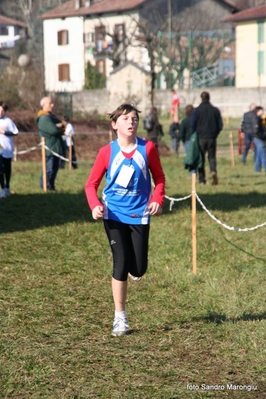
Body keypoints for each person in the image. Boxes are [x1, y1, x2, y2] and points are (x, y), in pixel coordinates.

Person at [85, 103, 165, 336]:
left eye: (134, 119)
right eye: (125, 119)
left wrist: (157, 199)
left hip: (140, 214)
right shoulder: (106, 152)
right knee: (120, 263)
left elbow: (159, 177)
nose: (131, 123)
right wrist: (95, 205)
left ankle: (135, 267)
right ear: (114, 125)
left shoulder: (147, 148)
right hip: (113, 214)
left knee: (138, 269)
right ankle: (120, 317)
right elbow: (91, 184)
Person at [191, 91, 223, 185]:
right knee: (212, 157)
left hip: (200, 137)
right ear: (209, 98)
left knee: (201, 159)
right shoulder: (215, 110)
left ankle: (202, 180)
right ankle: (213, 171)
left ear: (201, 99)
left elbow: (192, 124)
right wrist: (215, 134)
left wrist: (194, 134)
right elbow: (220, 125)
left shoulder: (196, 110)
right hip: (212, 137)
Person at [37, 97, 65, 191]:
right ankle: (45, 186)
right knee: (48, 169)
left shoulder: (51, 117)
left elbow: (63, 125)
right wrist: (59, 127)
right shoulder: (43, 118)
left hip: (56, 147)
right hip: (49, 148)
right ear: (44, 105)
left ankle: (51, 186)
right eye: (50, 103)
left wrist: (60, 126)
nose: (52, 105)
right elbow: (53, 130)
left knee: (54, 169)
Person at [0, 101, 19, 198]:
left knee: (6, 169)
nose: (1, 113)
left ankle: (7, 186)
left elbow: (15, 132)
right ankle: (3, 188)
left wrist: (5, 132)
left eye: (2, 111)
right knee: (0, 169)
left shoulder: (8, 121)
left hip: (7, 149)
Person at [253, 106, 266, 172]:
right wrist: (263, 136)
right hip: (259, 138)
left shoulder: (259, 119)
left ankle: (257, 169)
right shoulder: (257, 119)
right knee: (263, 154)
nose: (263, 111)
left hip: (258, 138)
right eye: (262, 110)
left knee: (258, 154)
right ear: (258, 111)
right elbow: (257, 130)